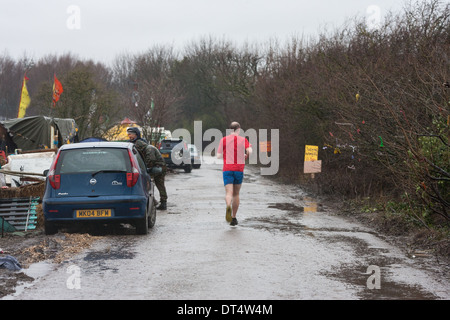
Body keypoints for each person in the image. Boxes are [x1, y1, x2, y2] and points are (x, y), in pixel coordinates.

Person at [217, 122, 252, 226]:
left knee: (228, 193)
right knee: (236, 194)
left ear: (230, 129)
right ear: (239, 129)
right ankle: (233, 217)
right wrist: (246, 155)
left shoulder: (223, 140)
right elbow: (250, 150)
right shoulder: (243, 140)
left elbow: (218, 156)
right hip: (238, 169)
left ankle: (228, 205)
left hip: (227, 169)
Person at [127, 127, 168, 210]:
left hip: (159, 168)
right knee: (159, 185)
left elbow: (150, 162)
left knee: (149, 182)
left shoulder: (149, 149)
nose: (129, 136)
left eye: (130, 134)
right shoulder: (145, 147)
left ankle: (158, 202)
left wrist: (145, 169)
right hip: (157, 167)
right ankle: (159, 202)